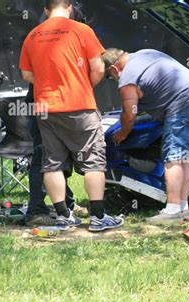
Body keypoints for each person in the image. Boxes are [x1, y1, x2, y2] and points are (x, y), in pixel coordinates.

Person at [19, 0, 124, 232]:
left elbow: (27, 74)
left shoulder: (33, 35)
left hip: (46, 108)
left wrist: (49, 81)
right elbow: (98, 67)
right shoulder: (82, 30)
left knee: (52, 163)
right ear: (69, 7)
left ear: (46, 10)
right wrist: (81, 84)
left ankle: (63, 217)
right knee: (93, 160)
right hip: (79, 105)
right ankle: (98, 217)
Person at [103, 48, 189, 224]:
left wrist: (123, 133)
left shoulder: (127, 77)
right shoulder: (145, 54)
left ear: (114, 69)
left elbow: (130, 113)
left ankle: (171, 210)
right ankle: (183, 208)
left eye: (111, 77)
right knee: (185, 158)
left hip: (186, 103)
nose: (115, 80)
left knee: (172, 157)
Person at [24, 5, 87, 228]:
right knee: (45, 156)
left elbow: (29, 73)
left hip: (43, 102)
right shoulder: (70, 29)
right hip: (45, 104)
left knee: (55, 156)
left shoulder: (39, 33)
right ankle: (36, 210)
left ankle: (66, 204)